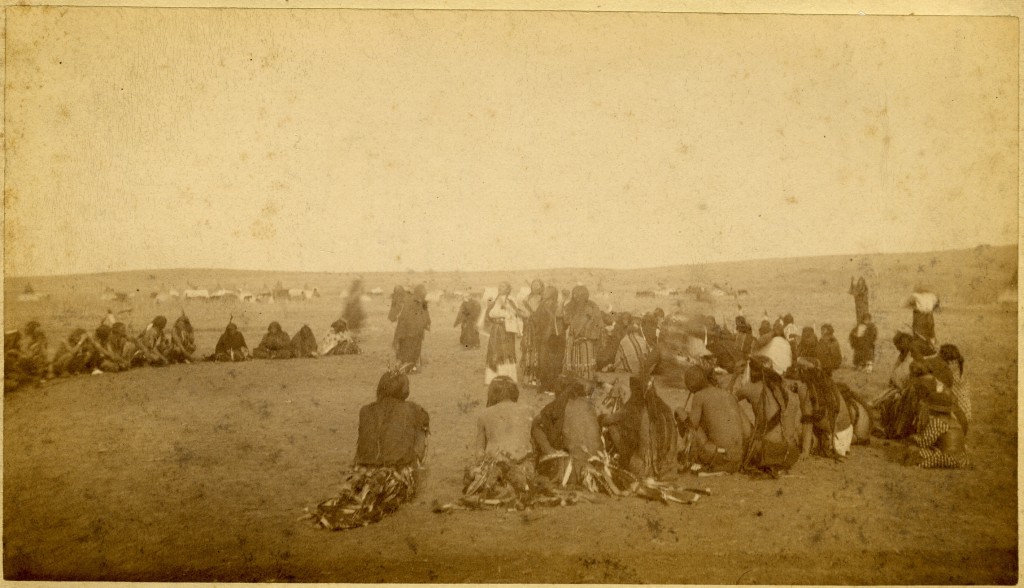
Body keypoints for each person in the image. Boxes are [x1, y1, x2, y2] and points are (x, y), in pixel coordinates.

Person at [308, 368, 429, 530]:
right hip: (396, 478)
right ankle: (411, 475)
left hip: (363, 475)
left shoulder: (365, 410)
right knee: (422, 429)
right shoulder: (413, 409)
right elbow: (421, 432)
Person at [600, 376, 678, 480]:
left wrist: (601, 415)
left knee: (612, 427)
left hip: (646, 470)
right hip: (669, 468)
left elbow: (606, 421)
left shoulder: (633, 407)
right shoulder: (665, 407)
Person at [675, 366, 748, 473]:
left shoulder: (699, 396)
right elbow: (747, 431)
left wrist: (680, 412)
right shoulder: (729, 395)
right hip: (739, 458)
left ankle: (689, 455)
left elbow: (692, 426)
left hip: (719, 457)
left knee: (684, 416)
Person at [532, 378, 602, 486]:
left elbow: (535, 423)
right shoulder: (589, 404)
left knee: (536, 429)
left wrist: (549, 449)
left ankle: (551, 454)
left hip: (573, 469)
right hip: (599, 464)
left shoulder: (557, 405)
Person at [906, 378, 970, 469]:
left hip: (946, 458)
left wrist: (913, 438)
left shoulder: (937, 422)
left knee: (915, 450)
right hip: (961, 459)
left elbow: (924, 442)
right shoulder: (954, 421)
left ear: (933, 409)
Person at [476, 376, 535, 461]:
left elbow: (479, 453)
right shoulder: (529, 410)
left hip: (496, 464)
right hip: (523, 464)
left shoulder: (484, 414)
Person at [562, 286, 603, 382]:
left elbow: (597, 325)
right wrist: (564, 301)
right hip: (573, 340)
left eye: (579, 295)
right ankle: (574, 385)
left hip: (586, 341)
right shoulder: (570, 307)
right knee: (572, 363)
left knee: (585, 364)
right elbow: (566, 320)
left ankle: (585, 385)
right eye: (574, 295)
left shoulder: (592, 307)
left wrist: (586, 334)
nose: (576, 298)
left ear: (585, 295)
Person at [484, 282, 522, 384]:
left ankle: (508, 377)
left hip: (506, 330)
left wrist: (505, 306)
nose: (501, 288)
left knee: (506, 352)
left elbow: (515, 313)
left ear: (508, 289)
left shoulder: (511, 299)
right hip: (495, 329)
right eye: (499, 286)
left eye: (503, 287)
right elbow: (489, 314)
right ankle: (493, 377)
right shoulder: (495, 299)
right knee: (494, 351)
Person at [534, 286, 565, 394]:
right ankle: (544, 384)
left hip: (555, 337)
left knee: (554, 362)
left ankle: (552, 386)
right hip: (544, 337)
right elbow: (537, 320)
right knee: (543, 361)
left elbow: (561, 319)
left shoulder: (558, 305)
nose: (544, 294)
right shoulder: (541, 306)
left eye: (547, 293)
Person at [394, 284, 431, 372]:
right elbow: (425, 316)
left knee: (408, 349)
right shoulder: (416, 301)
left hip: (410, 331)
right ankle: (407, 366)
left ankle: (403, 363)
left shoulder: (412, 301)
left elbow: (426, 316)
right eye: (423, 293)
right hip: (412, 331)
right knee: (411, 349)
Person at [5, 321, 50, 390]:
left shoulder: (36, 342)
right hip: (28, 365)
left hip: (30, 364)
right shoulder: (34, 342)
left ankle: (38, 379)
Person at [519, 280, 546, 386]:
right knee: (528, 350)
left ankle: (537, 378)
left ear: (541, 287)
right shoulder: (527, 298)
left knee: (538, 351)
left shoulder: (544, 299)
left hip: (539, 329)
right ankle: (527, 378)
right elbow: (522, 311)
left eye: (537, 285)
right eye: (533, 285)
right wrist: (525, 316)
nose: (535, 287)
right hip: (529, 328)